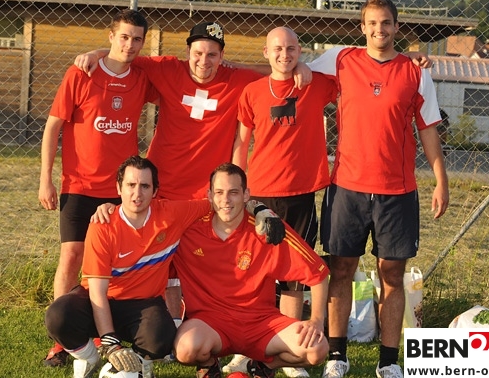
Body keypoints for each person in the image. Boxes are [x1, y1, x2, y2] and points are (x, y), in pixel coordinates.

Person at [74, 21, 312, 326]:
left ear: (222, 57)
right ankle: (160, 322)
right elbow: (124, 55)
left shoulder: (236, 80)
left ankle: (210, 320)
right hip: (162, 189)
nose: (204, 61)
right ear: (187, 52)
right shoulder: (168, 69)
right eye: (198, 53)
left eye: (212, 55)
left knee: (204, 260)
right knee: (161, 263)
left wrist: (299, 65)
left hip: (205, 195)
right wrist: (97, 53)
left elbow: (274, 70)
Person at [309, 0, 449, 378]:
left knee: (391, 275)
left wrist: (441, 181)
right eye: (372, 23)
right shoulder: (340, 59)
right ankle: (337, 356)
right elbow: (291, 69)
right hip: (347, 187)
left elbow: (428, 129)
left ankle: (388, 361)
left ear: (396, 27)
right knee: (340, 269)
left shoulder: (416, 73)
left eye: (386, 23)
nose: (379, 29)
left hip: (397, 192)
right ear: (362, 27)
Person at [49, 156, 285, 378]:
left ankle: (138, 363)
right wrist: (110, 343)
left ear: (155, 191)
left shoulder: (171, 214)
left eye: (145, 186)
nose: (137, 194)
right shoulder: (102, 225)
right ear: (119, 188)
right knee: (59, 316)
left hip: (142, 303)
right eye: (130, 185)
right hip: (102, 299)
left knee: (161, 338)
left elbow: (220, 202)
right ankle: (89, 357)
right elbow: (97, 293)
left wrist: (260, 209)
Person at [39, 9, 157, 367]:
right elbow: (53, 127)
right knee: (72, 256)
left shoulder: (142, 77)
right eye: (124, 37)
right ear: (110, 36)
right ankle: (62, 341)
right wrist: (45, 178)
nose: (130, 44)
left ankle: (107, 330)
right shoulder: (82, 72)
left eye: (137, 39)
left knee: (112, 264)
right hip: (79, 184)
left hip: (121, 191)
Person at [230, 26, 338, 378]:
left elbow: (351, 65)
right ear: (266, 52)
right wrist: (239, 188)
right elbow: (242, 142)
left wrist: (309, 68)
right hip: (261, 194)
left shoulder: (315, 85)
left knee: (295, 276)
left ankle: (289, 346)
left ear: (299, 50)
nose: (284, 54)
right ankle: (245, 347)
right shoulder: (252, 92)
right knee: (255, 273)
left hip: (301, 194)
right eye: (277, 49)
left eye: (291, 48)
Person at [172, 163, 330, 378]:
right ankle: (209, 365)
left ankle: (264, 367)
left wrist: (316, 321)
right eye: (219, 192)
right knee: (185, 348)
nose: (226, 200)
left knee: (316, 349)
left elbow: (319, 274)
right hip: (211, 322)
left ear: (246, 195)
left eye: (233, 192)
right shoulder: (190, 230)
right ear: (209, 195)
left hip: (261, 323)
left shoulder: (267, 229)